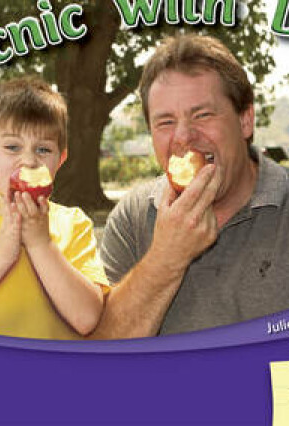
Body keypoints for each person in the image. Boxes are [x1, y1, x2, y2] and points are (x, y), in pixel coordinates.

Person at [93, 33, 289, 339]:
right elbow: (102, 357)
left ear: (245, 120)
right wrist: (166, 259)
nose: (183, 137)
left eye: (202, 114)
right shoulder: (131, 218)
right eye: (166, 122)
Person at [0, 77, 109, 339]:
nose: (28, 160)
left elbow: (87, 318)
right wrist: (1, 257)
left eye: (43, 149)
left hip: (54, 375)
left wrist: (41, 244)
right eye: (12, 147)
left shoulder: (72, 224)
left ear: (60, 159)